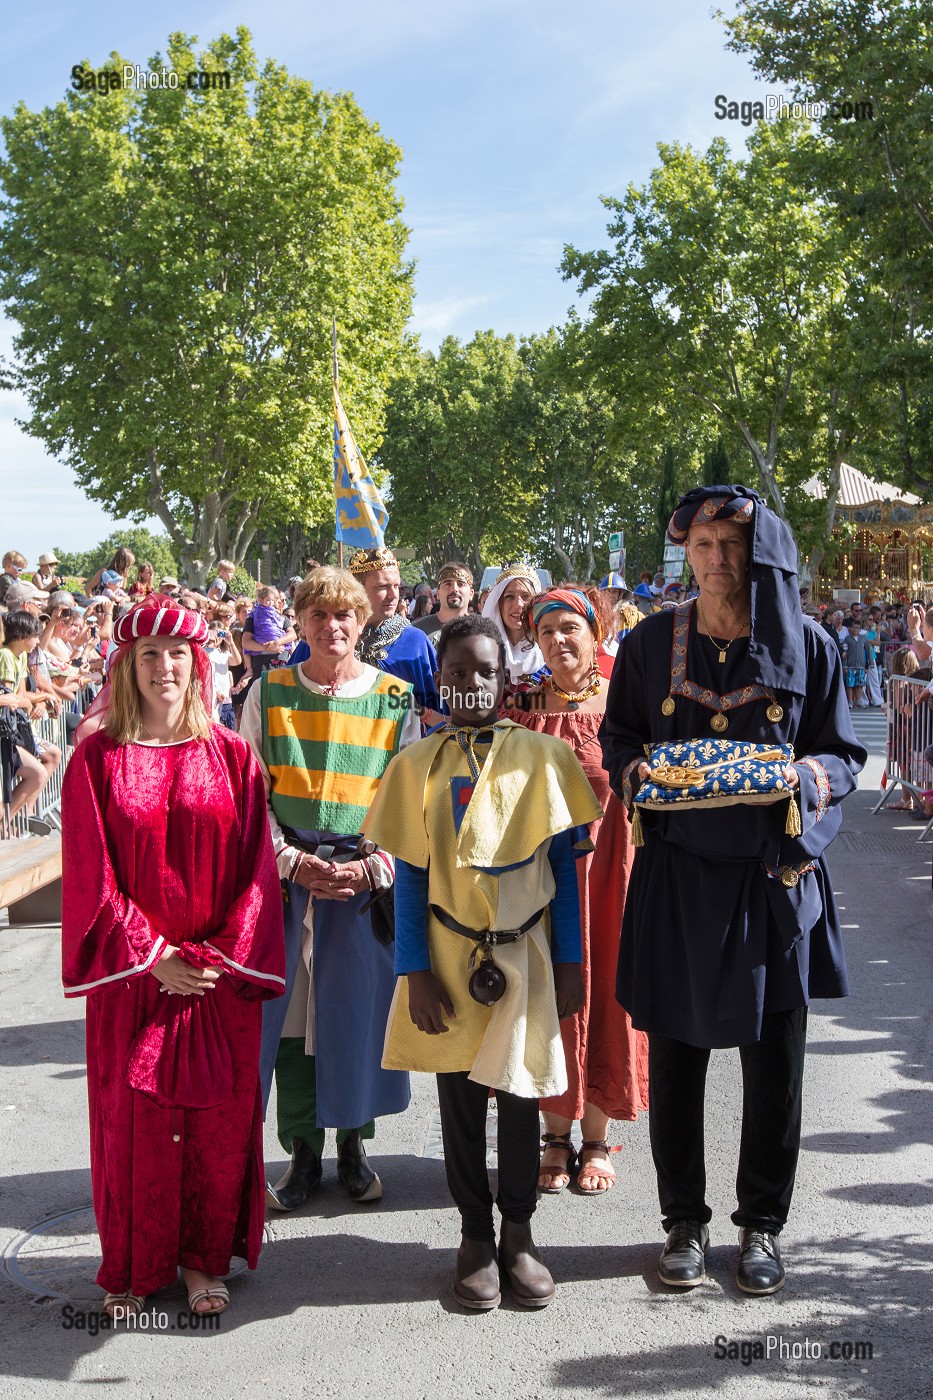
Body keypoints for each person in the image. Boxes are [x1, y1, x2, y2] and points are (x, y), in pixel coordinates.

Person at [600, 484, 865, 1296]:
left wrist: (805, 778)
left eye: (734, 545)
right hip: (677, 879)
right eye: (706, 544)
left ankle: (761, 1228)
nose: (720, 559)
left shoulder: (810, 646)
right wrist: (637, 771)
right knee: (676, 1058)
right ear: (687, 551)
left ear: (762, 553)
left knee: (774, 1067)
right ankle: (683, 1223)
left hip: (771, 883)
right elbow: (619, 738)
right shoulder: (648, 644)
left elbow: (843, 757)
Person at [363, 614, 602, 1309]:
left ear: (506, 681)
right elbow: (409, 876)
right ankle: (473, 1234)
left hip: (524, 954)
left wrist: (570, 962)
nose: (470, 684)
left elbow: (562, 874)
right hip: (447, 953)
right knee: (462, 1102)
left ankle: (519, 1234)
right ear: (440, 678)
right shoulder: (415, 765)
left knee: (524, 1096)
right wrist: (413, 970)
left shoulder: (542, 757)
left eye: (485, 672)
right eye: (458, 672)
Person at [61, 595, 285, 1318]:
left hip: (216, 980)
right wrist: (152, 955)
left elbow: (255, 870)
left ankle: (201, 1263)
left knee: (218, 1126)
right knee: (134, 1127)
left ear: (199, 665)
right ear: (126, 666)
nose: (165, 667)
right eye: (150, 654)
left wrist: (217, 959)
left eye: (178, 654)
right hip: (134, 982)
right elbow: (91, 871)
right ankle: (132, 1265)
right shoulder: (95, 758)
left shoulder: (234, 756)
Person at [240, 567, 419, 1210]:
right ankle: (302, 1152)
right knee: (292, 1022)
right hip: (288, 884)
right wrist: (287, 860)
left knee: (356, 1018)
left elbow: (408, 802)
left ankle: (354, 1146)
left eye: (344, 615)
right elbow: (248, 794)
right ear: (301, 621)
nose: (332, 626)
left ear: (361, 621)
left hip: (360, 887)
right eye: (318, 615)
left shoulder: (396, 698)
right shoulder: (269, 691)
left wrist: (371, 867)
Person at [511, 588, 648, 1197]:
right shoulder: (520, 705)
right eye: (546, 633)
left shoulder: (628, 698)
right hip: (544, 877)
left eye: (570, 628)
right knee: (547, 993)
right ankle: (554, 1135)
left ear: (595, 633)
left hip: (613, 873)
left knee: (608, 988)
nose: (559, 641)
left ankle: (596, 1136)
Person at [349, 546, 442, 720]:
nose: (394, 595)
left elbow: (437, 708)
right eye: (383, 586)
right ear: (357, 589)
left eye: (397, 586)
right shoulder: (330, 638)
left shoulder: (415, 641)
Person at [0, 610, 60, 823]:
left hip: (19, 731)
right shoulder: (6, 655)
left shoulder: (22, 655)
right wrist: (37, 700)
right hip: (8, 734)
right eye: (35, 636)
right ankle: (9, 822)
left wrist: (42, 700)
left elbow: (23, 695)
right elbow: (12, 700)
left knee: (52, 757)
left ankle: (25, 816)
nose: (37, 641)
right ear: (22, 636)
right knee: (37, 774)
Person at [480, 565, 546, 693]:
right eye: (510, 596)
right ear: (499, 604)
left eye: (526, 596)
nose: (518, 604)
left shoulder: (550, 651)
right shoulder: (480, 651)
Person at [414, 563, 474, 640]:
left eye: (461, 584)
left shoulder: (482, 631)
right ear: (438, 593)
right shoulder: (418, 631)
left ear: (471, 594)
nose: (454, 589)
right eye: (448, 584)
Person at [840, 616, 870, 709]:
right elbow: (845, 653)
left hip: (861, 665)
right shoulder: (847, 639)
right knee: (850, 684)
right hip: (850, 665)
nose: (856, 629)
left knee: (859, 684)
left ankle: (858, 700)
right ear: (851, 628)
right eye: (854, 627)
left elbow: (868, 651)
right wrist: (844, 665)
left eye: (858, 628)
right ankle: (850, 701)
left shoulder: (863, 639)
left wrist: (869, 665)